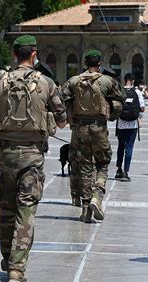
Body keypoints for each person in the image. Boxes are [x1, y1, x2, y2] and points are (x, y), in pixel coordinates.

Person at [0, 35, 67, 282]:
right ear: (34, 54)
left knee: (5, 210)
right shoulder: (47, 83)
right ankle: (17, 267)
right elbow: (62, 120)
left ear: (15, 54)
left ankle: (8, 258)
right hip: (32, 157)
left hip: (4, 157)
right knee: (26, 211)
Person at [62, 49, 124, 223]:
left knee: (85, 168)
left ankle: (85, 210)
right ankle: (97, 196)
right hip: (99, 128)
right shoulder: (107, 81)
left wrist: (70, 116)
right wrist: (111, 116)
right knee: (103, 163)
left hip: (80, 130)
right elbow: (121, 99)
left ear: (85, 63)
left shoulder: (74, 81)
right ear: (99, 64)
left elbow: (61, 98)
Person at [115, 73, 145, 182]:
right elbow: (142, 108)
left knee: (120, 147)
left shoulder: (119, 91)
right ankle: (126, 171)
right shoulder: (137, 92)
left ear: (124, 80)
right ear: (132, 81)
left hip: (121, 123)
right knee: (129, 148)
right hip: (132, 124)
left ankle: (118, 169)